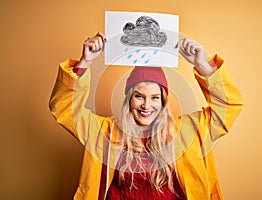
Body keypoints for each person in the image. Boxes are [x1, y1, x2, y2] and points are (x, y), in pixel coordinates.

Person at [49, 32, 243, 200]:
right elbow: (63, 109)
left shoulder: (188, 130)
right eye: (139, 96)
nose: (146, 105)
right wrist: (85, 62)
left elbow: (228, 106)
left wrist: (202, 64)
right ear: (128, 99)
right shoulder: (104, 132)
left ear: (164, 101)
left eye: (155, 97)